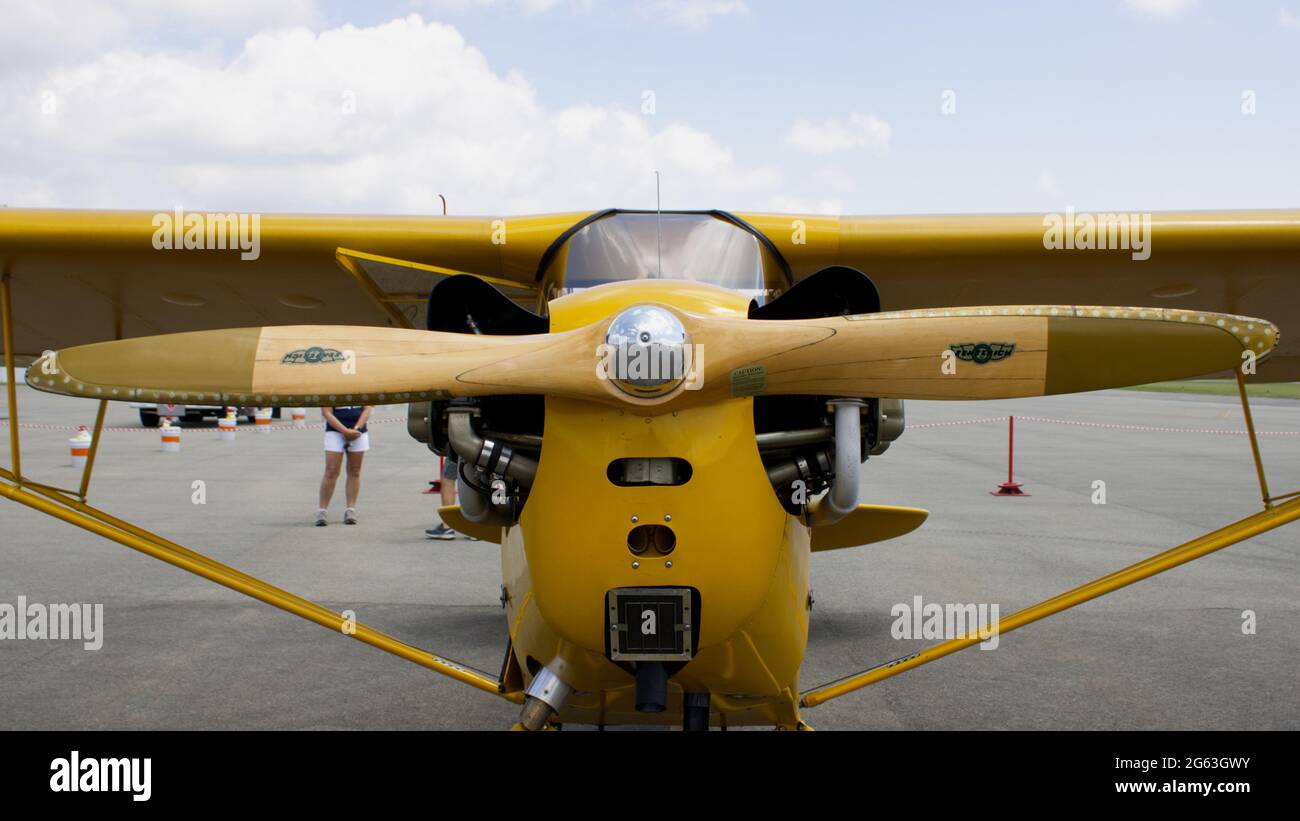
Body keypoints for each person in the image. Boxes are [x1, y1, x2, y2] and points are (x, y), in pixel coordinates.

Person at [317, 405, 373, 526]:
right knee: (331, 470)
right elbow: (326, 412)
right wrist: (345, 431)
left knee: (355, 470)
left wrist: (356, 428)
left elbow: (367, 409)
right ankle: (322, 510)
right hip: (335, 430)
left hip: (358, 430)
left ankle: (350, 509)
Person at [426, 454, 463, 539]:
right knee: (473, 478)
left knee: (448, 480)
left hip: (460, 448)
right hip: (481, 447)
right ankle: (474, 525)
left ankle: (447, 526)